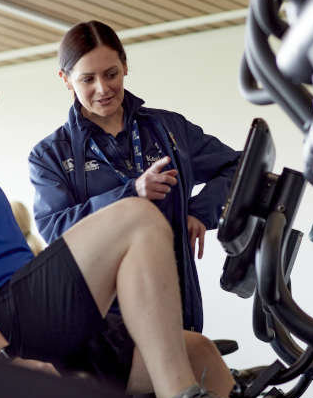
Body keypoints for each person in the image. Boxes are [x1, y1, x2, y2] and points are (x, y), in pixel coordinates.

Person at [0, 26, 274, 398]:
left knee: (197, 351)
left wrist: (201, 210)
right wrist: (1, 360)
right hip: (7, 327)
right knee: (139, 216)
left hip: (33, 321)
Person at [29, 21, 241, 334]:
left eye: (111, 73)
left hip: (181, 306)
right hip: (105, 322)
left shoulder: (168, 128)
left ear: (125, 66)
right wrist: (130, 194)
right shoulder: (50, 155)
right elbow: (55, 230)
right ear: (66, 80)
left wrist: (198, 211)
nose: (103, 88)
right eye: (87, 79)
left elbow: (238, 167)